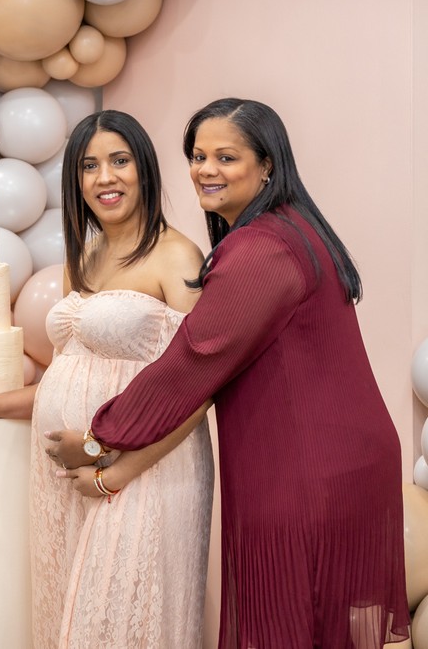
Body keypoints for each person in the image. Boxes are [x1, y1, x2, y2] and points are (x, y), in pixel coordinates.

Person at [82, 98, 411, 647]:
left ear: (267, 167)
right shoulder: (290, 228)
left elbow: (195, 360)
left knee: (288, 628)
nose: (205, 170)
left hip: (307, 474)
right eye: (197, 156)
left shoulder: (262, 249)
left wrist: (101, 436)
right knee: (332, 633)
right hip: (340, 464)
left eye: (226, 157)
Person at [0, 110, 214, 648]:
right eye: (89, 166)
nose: (105, 178)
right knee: (70, 616)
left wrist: (106, 455)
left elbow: (196, 388)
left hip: (143, 471)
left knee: (123, 624)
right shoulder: (87, 256)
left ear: (145, 168)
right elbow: (74, 373)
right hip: (68, 476)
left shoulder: (177, 256)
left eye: (120, 161)